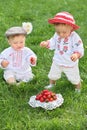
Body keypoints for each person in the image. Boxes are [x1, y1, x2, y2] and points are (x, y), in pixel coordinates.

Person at [40, 12, 84, 92]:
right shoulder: (57, 35)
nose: (61, 34)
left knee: (74, 78)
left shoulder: (74, 37)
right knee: (52, 74)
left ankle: (78, 88)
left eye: (64, 32)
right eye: (58, 32)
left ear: (71, 28)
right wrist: (47, 43)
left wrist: (76, 54)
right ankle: (52, 84)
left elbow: (79, 46)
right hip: (58, 60)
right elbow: (53, 41)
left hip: (70, 62)